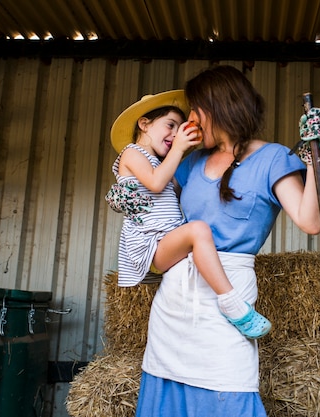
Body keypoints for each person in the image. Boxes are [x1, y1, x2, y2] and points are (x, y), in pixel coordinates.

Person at [135, 66, 320, 417]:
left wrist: (314, 162)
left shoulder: (272, 158)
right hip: (174, 304)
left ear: (218, 107)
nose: (189, 120)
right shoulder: (190, 162)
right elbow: (157, 210)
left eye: (195, 110)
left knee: (230, 392)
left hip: (229, 305)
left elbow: (310, 222)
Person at [109, 90, 272, 339]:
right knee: (198, 230)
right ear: (144, 124)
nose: (175, 135)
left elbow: (170, 190)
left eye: (179, 129)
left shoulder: (159, 162)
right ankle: (233, 305)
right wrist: (180, 148)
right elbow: (155, 183)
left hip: (167, 238)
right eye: (170, 125)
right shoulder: (132, 153)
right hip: (152, 243)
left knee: (201, 236)